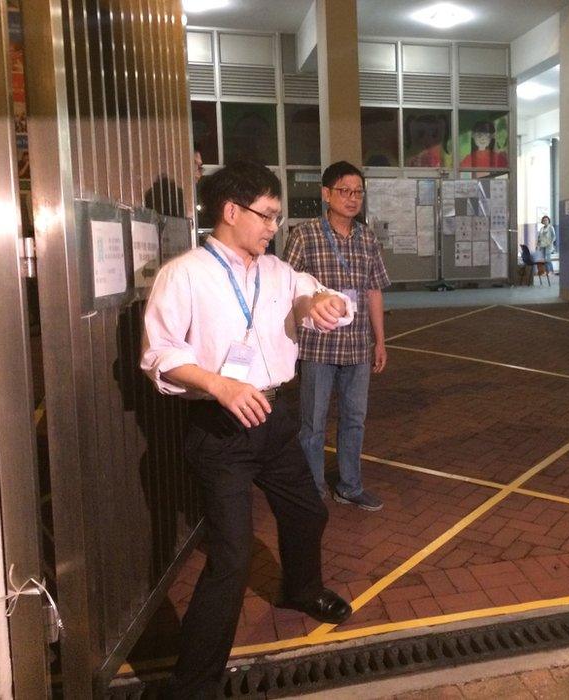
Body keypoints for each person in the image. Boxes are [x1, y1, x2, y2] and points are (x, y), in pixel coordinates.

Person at [140, 160, 354, 698]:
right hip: (221, 428)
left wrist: (324, 303)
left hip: (274, 419)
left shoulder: (277, 272)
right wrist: (220, 386)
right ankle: (194, 684)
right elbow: (160, 356)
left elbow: (314, 295)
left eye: (277, 217)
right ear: (231, 211)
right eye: (267, 215)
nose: (272, 227)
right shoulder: (185, 273)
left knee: (308, 511)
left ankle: (300, 590)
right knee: (231, 559)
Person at [283, 161, 390, 512]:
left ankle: (350, 485)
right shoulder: (305, 234)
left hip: (358, 345)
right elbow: (288, 288)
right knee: (312, 424)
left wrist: (380, 341)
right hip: (318, 346)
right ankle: (313, 489)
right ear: (326, 194)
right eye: (345, 191)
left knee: (354, 419)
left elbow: (374, 291)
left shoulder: (368, 237)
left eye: (358, 191)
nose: (352, 198)